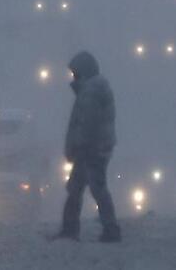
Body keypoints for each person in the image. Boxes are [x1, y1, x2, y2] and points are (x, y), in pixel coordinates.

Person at [55, 51, 121, 243]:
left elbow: (85, 123)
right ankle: (106, 228)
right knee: (85, 188)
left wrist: (78, 145)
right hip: (96, 146)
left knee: (88, 188)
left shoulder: (90, 92)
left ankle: (81, 229)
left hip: (90, 148)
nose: (73, 77)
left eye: (75, 73)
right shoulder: (95, 88)